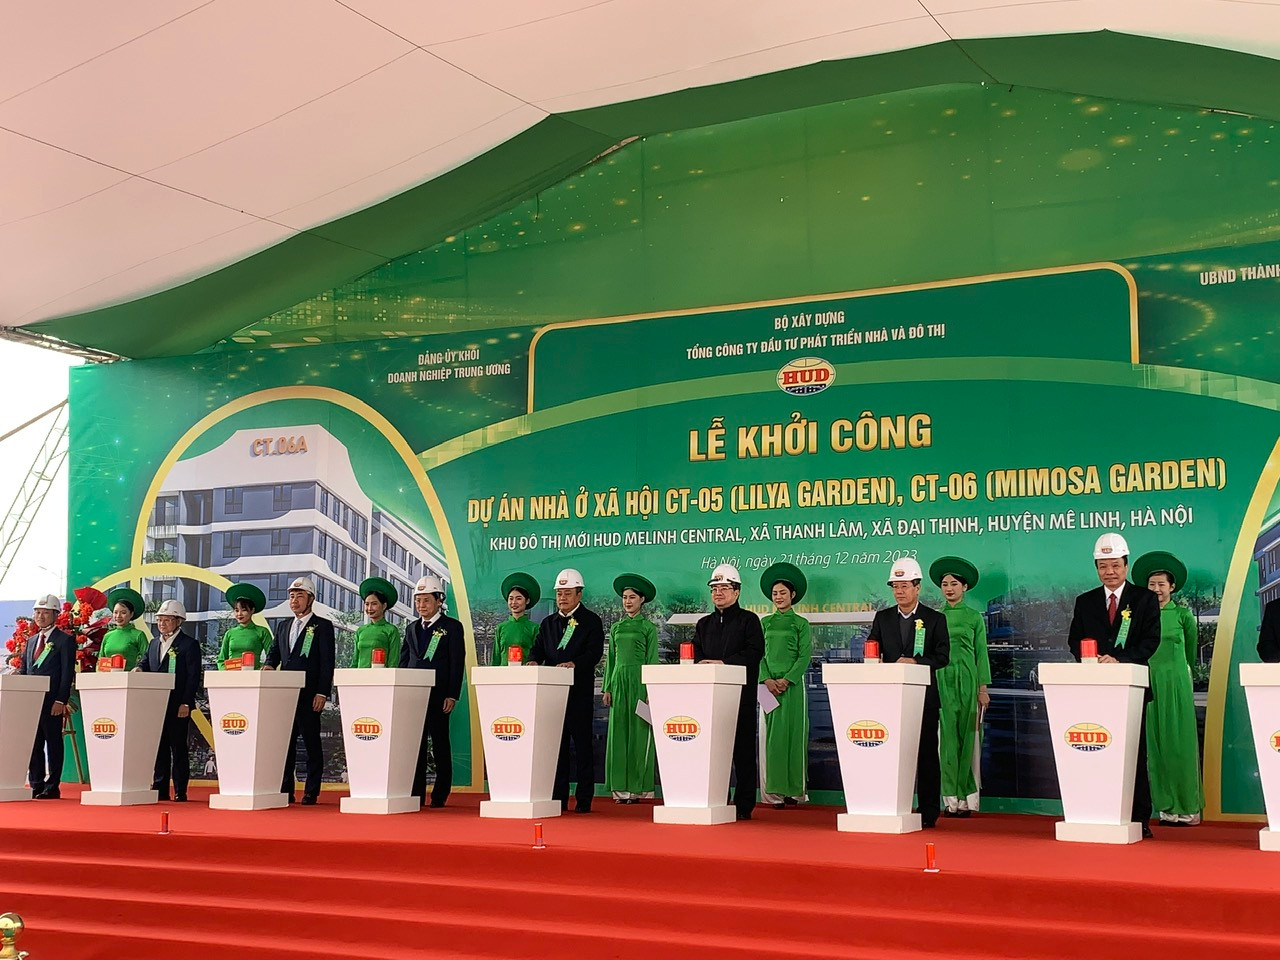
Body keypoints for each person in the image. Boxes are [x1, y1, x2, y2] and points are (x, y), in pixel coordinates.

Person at [1067, 532, 1161, 837]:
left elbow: (1150, 642)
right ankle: (1098, 811)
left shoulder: (1144, 599)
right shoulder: (1085, 601)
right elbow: (1074, 640)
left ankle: (1139, 818)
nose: (1110, 571)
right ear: (1096, 568)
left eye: (1115, 565)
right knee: (1096, 751)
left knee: (1133, 753)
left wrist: (1119, 660)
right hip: (1095, 689)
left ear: (1126, 565)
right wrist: (1091, 659)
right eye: (1103, 566)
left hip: (1130, 687)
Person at [866, 558, 950, 828]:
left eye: (904, 586)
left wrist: (915, 661)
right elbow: (873, 648)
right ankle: (891, 805)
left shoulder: (935, 619)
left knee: (926, 755)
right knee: (890, 754)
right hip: (890, 699)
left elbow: (942, 657)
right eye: (895, 586)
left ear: (917, 587)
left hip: (924, 699)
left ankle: (928, 812)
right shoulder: (883, 618)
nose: (899, 591)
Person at [1132, 550, 1204, 826]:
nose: (1157, 589)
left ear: (1172, 587)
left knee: (1179, 745)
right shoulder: (1135, 616)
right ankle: (1165, 808)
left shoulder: (1183, 615)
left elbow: (1190, 653)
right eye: (1152, 584)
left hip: (1175, 684)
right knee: (1154, 747)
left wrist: (1180, 676)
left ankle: (1188, 807)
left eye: (1162, 584)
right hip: (1147, 683)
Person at [529, 568, 605, 813]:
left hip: (578, 692)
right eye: (559, 593)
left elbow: (594, 653)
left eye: (568, 593)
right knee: (556, 747)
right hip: (552, 695)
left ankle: (584, 799)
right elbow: (538, 648)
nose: (562, 598)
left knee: (583, 747)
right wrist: (532, 660)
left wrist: (574, 664)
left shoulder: (591, 620)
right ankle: (558, 798)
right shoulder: (548, 623)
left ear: (579, 594)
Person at [693, 563, 765, 821]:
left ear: (737, 591)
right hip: (710, 700)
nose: (718, 593)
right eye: (714, 588)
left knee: (743, 751)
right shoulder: (703, 624)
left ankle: (743, 805)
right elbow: (697, 654)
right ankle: (717, 799)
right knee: (713, 752)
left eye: (724, 588)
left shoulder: (749, 621)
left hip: (741, 697)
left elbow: (754, 652)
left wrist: (724, 664)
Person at [263, 577, 336, 805]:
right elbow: (274, 654)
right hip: (286, 695)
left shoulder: (322, 626)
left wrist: (322, 692)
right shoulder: (284, 626)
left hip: (310, 694)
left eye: (300, 596)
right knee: (286, 743)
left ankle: (311, 791)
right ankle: (286, 789)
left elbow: (327, 663)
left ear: (311, 599)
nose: (294, 601)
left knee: (312, 743)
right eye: (292, 596)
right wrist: (268, 666)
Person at [929, 556, 991, 817]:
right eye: (945, 584)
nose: (949, 588)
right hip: (941, 679)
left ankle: (967, 797)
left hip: (968, 679)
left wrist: (982, 688)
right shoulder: (934, 618)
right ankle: (950, 798)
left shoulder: (974, 618)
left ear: (964, 587)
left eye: (954, 584)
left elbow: (981, 653)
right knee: (946, 739)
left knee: (969, 738)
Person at [400, 575, 465, 807]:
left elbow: (457, 662)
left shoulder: (452, 627)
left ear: (439, 601)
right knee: (415, 745)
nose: (421, 605)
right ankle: (416, 794)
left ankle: (440, 794)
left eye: (426, 600)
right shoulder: (411, 628)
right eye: (418, 600)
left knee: (439, 744)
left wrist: (452, 694)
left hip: (439, 695)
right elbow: (404, 661)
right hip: (414, 696)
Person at [758, 562, 811, 809]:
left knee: (794, 735)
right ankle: (773, 793)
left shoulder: (801, 623)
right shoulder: (765, 622)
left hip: (793, 686)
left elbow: (804, 655)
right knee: (771, 738)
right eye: (775, 593)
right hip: (766, 686)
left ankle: (794, 791)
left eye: (783, 593)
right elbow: (758, 654)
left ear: (792, 595)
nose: (778, 597)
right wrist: (767, 679)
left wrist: (788, 679)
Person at [137, 599, 201, 802]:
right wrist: (139, 669)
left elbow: (193, 677)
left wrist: (186, 703)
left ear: (178, 621)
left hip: (178, 704)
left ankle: (181, 790)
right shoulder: (153, 643)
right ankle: (160, 788)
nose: (162, 624)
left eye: (167, 620)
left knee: (178, 747)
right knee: (159, 747)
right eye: (159, 620)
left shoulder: (189, 644)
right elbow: (146, 663)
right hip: (156, 705)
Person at [603, 573, 659, 803]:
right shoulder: (616, 628)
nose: (627, 601)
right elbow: (611, 660)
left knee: (639, 733)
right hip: (618, 681)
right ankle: (619, 789)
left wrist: (650, 689)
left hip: (639, 681)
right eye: (625, 597)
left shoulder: (648, 627)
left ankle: (639, 789)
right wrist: (607, 687)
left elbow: (652, 659)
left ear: (642, 600)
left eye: (632, 597)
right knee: (618, 734)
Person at [19, 594, 75, 799]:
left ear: (55, 615)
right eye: (37, 612)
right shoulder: (31, 640)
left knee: (53, 743)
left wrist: (61, 700)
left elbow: (67, 673)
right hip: (31, 702)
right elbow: (25, 670)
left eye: (45, 613)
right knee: (34, 743)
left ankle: (52, 786)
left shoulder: (65, 640)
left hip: (52, 702)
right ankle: (36, 783)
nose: (40, 617)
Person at [217, 583, 273, 669]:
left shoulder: (262, 631)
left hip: (253, 675)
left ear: (252, 610)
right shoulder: (229, 633)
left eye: (244, 610)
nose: (239, 614)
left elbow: (271, 657)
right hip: (231, 675)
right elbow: (221, 660)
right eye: (236, 610)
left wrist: (262, 669)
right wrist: (225, 672)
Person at [491, 573, 540, 665]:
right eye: (511, 598)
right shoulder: (500, 627)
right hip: (502, 672)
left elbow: (537, 655)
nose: (514, 602)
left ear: (527, 601)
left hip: (526, 672)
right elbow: (496, 657)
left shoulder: (534, 628)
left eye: (518, 598)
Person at [352, 577, 401, 668]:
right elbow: (355, 661)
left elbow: (393, 663)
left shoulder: (391, 630)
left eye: (374, 604)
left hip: (381, 676)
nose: (369, 608)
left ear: (384, 606)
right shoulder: (361, 630)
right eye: (367, 604)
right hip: (359, 676)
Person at [99, 587, 149, 670]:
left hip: (130, 677)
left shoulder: (138, 635)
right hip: (107, 677)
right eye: (115, 612)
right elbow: (100, 660)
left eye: (123, 612)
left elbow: (146, 660)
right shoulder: (108, 635)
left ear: (131, 614)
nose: (118, 616)